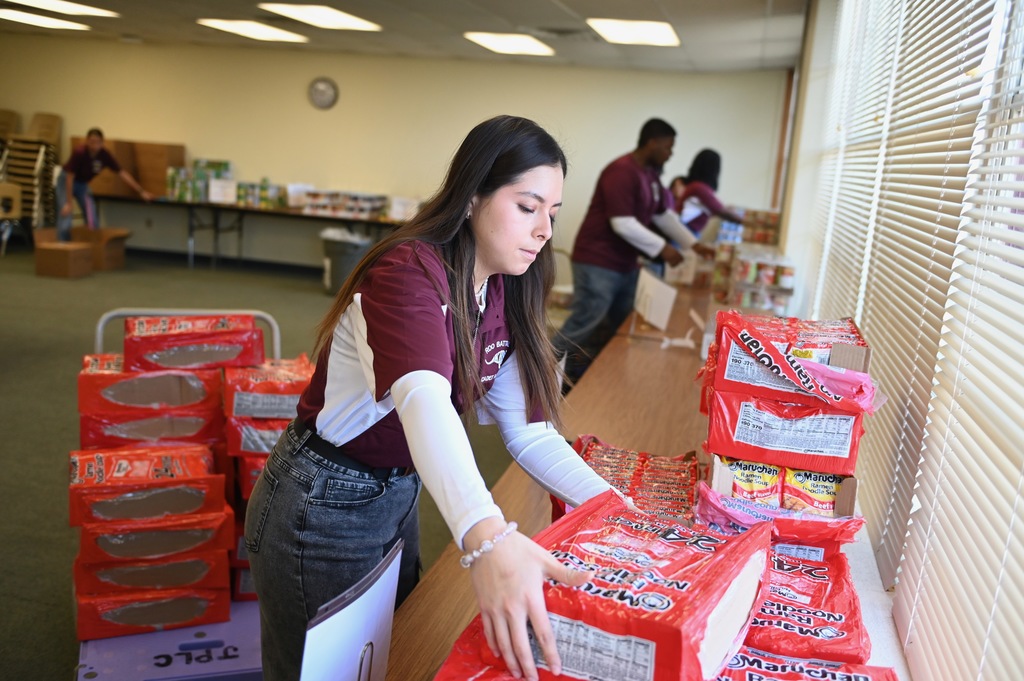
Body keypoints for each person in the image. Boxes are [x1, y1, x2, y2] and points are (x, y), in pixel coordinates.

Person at [244, 115, 618, 681]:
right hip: (323, 501)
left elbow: (530, 432)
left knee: (388, 659)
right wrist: (488, 539)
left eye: (553, 214)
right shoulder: (408, 272)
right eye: (527, 206)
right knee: (325, 674)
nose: (544, 230)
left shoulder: (504, 286)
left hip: (399, 489)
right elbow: (424, 398)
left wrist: (619, 513)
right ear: (471, 198)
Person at [553, 118, 714, 388]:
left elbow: (664, 216)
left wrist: (693, 244)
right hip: (598, 261)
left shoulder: (650, 176)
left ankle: (583, 379)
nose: (670, 154)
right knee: (585, 320)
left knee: (617, 326)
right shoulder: (622, 171)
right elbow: (622, 222)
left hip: (625, 264)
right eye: (668, 147)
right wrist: (663, 249)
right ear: (652, 143)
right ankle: (536, 371)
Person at [56, 127, 152, 240]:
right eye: (91, 142)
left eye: (97, 142)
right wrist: (69, 202)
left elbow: (122, 173)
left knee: (91, 215)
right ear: (87, 141)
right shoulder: (80, 152)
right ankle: (63, 247)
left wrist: (141, 191)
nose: (94, 146)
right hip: (66, 181)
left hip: (82, 184)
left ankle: (93, 245)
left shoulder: (105, 155)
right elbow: (69, 177)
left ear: (102, 143)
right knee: (66, 213)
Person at [671, 148, 745, 237]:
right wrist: (750, 222)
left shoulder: (695, 186)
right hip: (684, 231)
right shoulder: (699, 188)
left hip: (684, 230)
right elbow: (720, 211)